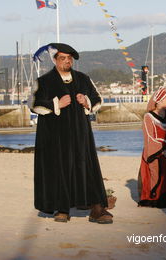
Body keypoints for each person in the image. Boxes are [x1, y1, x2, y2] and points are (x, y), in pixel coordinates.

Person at [31, 43, 113, 223]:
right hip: (55, 136)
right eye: (62, 58)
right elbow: (34, 104)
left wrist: (87, 101)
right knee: (59, 169)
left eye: (69, 58)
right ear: (55, 60)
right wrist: (55, 104)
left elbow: (97, 99)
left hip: (80, 134)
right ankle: (62, 209)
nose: (67, 61)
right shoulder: (44, 81)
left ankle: (97, 208)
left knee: (87, 168)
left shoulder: (83, 79)